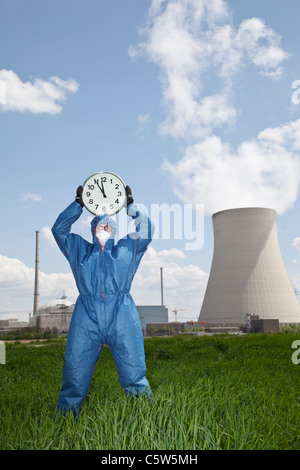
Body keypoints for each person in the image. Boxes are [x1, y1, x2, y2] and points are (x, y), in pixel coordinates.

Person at [52, 185, 154, 419]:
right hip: (86, 316)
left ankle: (148, 423)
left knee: (134, 375)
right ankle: (64, 423)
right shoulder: (79, 250)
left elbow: (147, 229)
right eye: (99, 226)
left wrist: (131, 207)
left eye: (109, 226)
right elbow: (58, 230)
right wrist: (78, 204)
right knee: (74, 375)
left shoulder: (128, 248)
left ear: (114, 229)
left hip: (122, 314)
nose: (104, 229)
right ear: (93, 228)